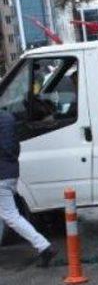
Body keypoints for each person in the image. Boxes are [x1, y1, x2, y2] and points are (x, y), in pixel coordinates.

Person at [0, 109, 56, 266]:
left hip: (1, 175)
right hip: (11, 171)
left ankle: (43, 246)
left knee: (10, 216)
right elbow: (13, 146)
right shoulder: (8, 117)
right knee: (5, 214)